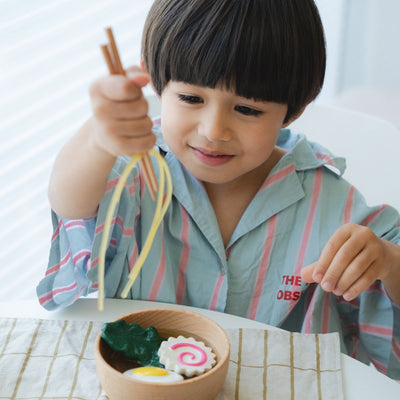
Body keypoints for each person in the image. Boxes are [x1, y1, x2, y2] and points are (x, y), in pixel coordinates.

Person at [37, 0, 400, 378]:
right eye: (191, 99)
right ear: (156, 81)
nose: (213, 131)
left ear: (297, 107)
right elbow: (71, 203)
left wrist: (387, 261)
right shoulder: (136, 171)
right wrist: (98, 137)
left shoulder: (331, 202)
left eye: (247, 110)